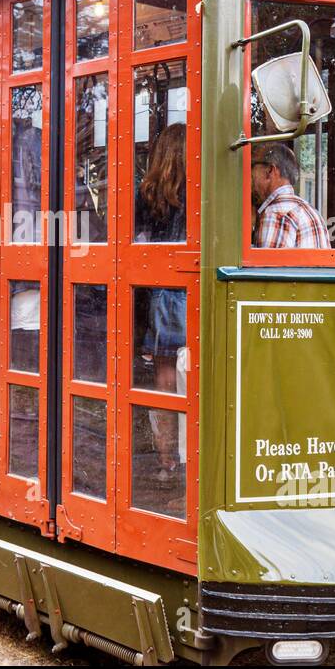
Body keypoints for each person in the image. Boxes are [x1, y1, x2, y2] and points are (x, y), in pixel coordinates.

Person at [134, 123, 188, 479]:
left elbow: (135, 239)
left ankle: (168, 459)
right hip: (192, 287)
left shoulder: (149, 191)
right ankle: (193, 454)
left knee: (165, 380)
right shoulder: (201, 188)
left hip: (161, 292)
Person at [251, 142, 332, 249]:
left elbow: (268, 265)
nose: (250, 175)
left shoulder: (275, 214)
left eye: (252, 166)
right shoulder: (310, 210)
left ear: (270, 171)